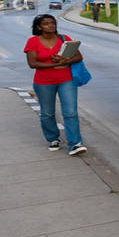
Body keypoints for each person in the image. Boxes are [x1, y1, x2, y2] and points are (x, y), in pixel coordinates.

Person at [24, 13, 86, 155]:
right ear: (39, 27)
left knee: (70, 112)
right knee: (47, 113)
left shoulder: (64, 39)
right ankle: (53, 138)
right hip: (43, 82)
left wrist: (65, 61)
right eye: (46, 23)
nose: (50, 25)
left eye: (52, 23)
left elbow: (78, 56)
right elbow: (32, 64)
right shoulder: (33, 41)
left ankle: (75, 144)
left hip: (66, 79)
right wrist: (53, 63)